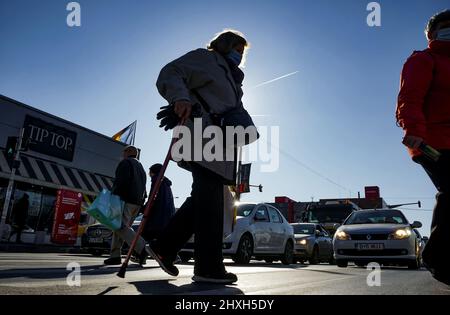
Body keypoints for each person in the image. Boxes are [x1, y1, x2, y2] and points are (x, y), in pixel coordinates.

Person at [150, 30, 253, 284]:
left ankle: (164, 247)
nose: (239, 55)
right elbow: (170, 72)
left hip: (219, 148)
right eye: (236, 49)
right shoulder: (207, 59)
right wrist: (180, 98)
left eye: (242, 52)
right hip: (202, 139)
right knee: (210, 204)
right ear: (224, 45)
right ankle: (207, 268)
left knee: (204, 200)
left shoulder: (231, 77)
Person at [396, 10, 450, 286]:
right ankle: (437, 257)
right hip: (433, 142)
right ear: (431, 34)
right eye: (445, 26)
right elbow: (410, 97)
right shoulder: (423, 60)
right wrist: (414, 131)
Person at [104, 145, 148, 266]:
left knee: (119, 227)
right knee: (120, 228)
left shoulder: (126, 163)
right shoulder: (141, 167)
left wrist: (113, 198)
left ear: (128, 152)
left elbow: (121, 182)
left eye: (124, 151)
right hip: (137, 202)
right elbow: (144, 186)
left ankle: (142, 247)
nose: (122, 154)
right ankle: (115, 256)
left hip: (125, 199)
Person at [141, 164, 176, 242]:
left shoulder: (156, 180)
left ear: (152, 172)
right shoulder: (166, 183)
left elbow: (153, 197)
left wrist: (144, 208)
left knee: (144, 236)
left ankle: (140, 253)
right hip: (166, 216)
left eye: (149, 171)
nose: (148, 174)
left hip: (157, 216)